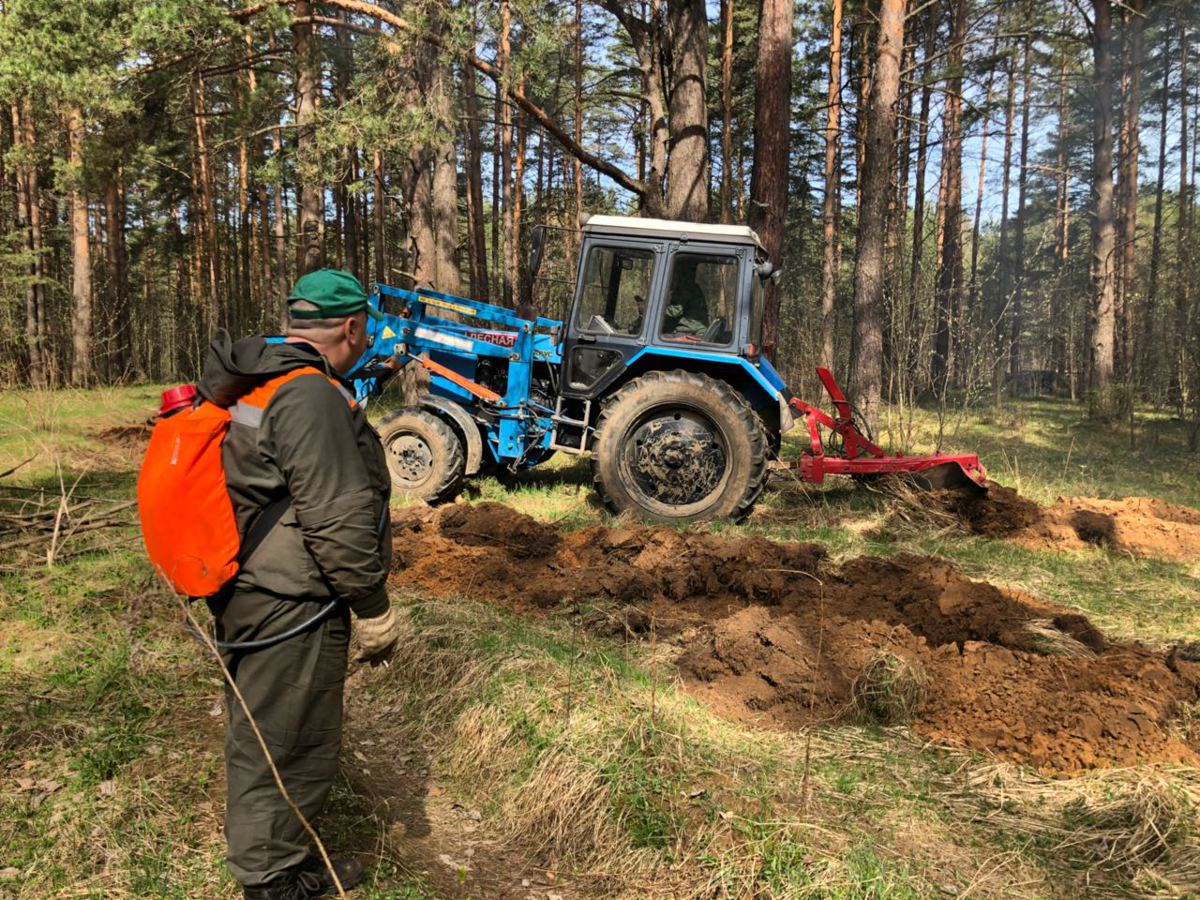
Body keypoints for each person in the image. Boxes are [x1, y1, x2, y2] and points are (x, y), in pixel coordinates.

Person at [198, 269, 401, 900]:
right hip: (290, 602)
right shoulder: (310, 396)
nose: (367, 339)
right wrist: (373, 607)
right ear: (351, 326)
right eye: (365, 329)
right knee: (286, 742)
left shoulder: (264, 375)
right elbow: (335, 517)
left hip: (254, 588)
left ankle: (284, 860)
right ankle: (269, 882)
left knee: (265, 729)